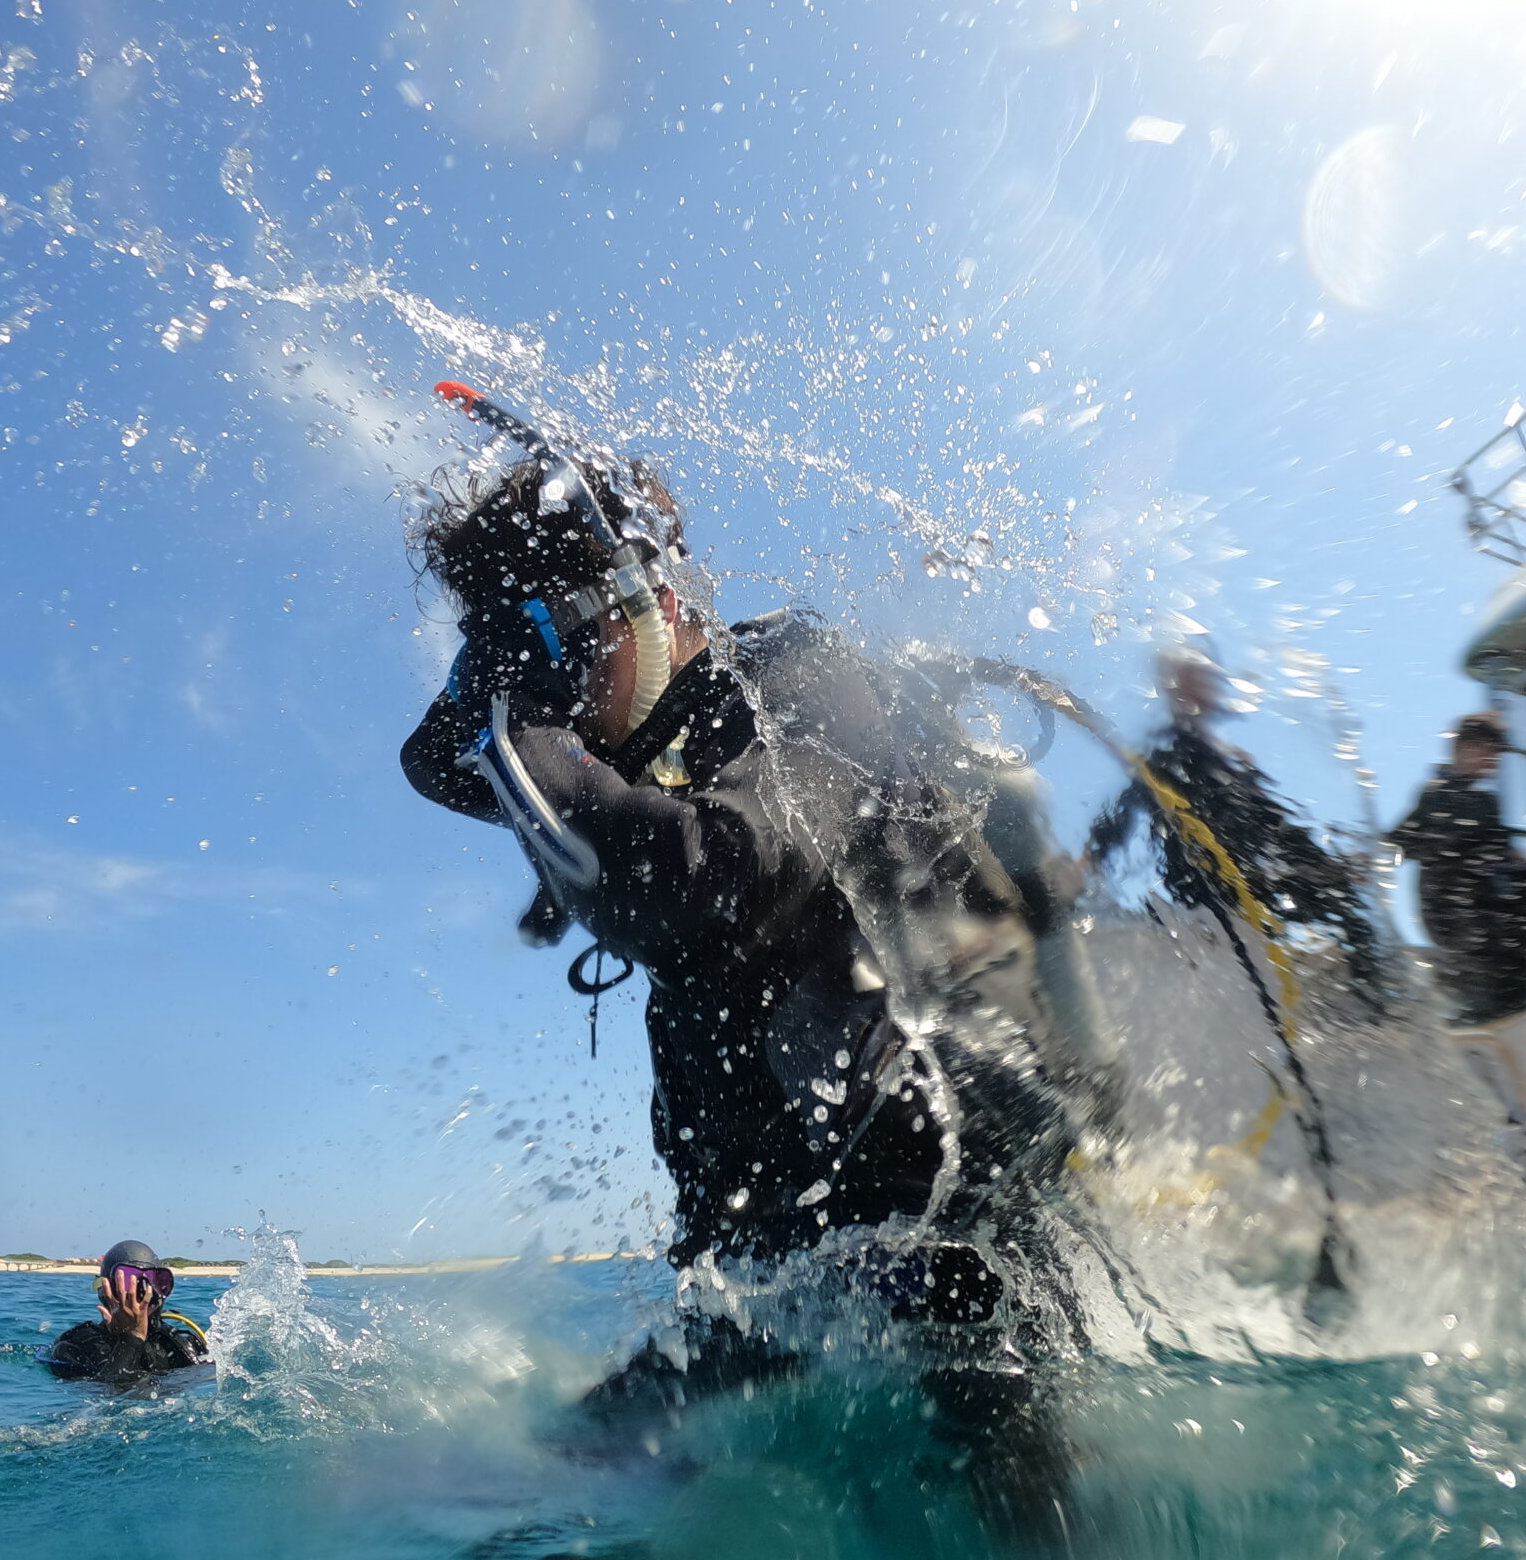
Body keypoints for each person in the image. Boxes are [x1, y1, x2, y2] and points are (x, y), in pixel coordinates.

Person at [397, 430, 1105, 1497]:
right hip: (781, 1252)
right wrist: (511, 664)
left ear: (646, 599)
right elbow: (425, 765)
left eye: (562, 657)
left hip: (954, 1223)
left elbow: (695, 879)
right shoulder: (624, 748)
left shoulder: (800, 685)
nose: (569, 713)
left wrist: (516, 719)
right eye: (524, 669)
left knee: (1007, 1510)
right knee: (562, 1473)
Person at [1084, 645, 1390, 1019]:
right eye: (1191, 677)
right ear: (1172, 689)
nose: (1204, 685)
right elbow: (1125, 807)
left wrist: (1335, 868)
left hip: (1256, 879)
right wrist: (1091, 858)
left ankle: (1373, 1009)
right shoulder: (1166, 752)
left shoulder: (1235, 762)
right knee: (1263, 939)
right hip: (1205, 883)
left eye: (1206, 676)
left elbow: (1279, 826)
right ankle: (1269, 1010)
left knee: (1344, 901)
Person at [1390, 713, 1526, 1023]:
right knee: (1512, 961)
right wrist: (1359, 861)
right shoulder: (1439, 794)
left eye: (1498, 754)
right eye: (1491, 751)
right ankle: (1488, 1021)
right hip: (1458, 915)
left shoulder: (1482, 800)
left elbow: (1506, 854)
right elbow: (1400, 842)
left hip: (1489, 908)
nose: (1496, 761)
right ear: (1467, 748)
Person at [41, 1240, 208, 1382]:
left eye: (154, 1282)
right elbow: (105, 1402)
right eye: (128, 1282)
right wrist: (130, 1340)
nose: (142, 1295)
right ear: (105, 1290)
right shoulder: (74, 1348)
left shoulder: (183, 1346)